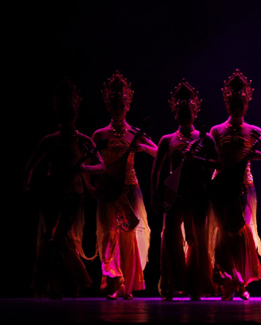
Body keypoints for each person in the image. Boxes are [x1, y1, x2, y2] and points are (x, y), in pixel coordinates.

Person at [24, 78, 102, 299]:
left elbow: (101, 166)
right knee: (52, 237)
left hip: (73, 194)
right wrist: (27, 183)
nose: (65, 118)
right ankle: (60, 285)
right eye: (61, 114)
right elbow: (30, 165)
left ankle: (70, 281)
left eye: (69, 113)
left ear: (75, 115)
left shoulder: (84, 140)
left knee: (58, 237)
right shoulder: (50, 140)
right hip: (52, 193)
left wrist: (82, 167)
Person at [209, 69, 261, 300]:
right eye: (233, 102)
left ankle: (241, 283)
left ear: (246, 104)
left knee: (243, 231)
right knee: (223, 232)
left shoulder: (252, 130)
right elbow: (211, 158)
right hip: (222, 186)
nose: (237, 106)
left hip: (244, 186)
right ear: (226, 103)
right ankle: (226, 281)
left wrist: (257, 157)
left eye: (241, 103)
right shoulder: (216, 130)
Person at [150, 80, 218, 300]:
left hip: (197, 194)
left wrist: (196, 158)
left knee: (196, 239)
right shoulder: (166, 140)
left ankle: (194, 285)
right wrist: (155, 195)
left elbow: (217, 164)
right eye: (180, 112)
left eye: (188, 111)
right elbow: (156, 171)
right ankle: (171, 284)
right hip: (174, 196)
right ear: (175, 113)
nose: (184, 115)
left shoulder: (204, 138)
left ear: (195, 112)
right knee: (171, 237)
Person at [91, 71, 156, 300]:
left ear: (128, 106)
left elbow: (158, 151)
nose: (118, 108)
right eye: (115, 104)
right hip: (110, 189)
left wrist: (142, 147)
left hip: (131, 188)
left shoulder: (134, 133)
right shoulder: (100, 135)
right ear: (109, 106)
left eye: (122, 105)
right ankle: (113, 281)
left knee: (129, 235)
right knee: (110, 234)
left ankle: (126, 284)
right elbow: (95, 164)